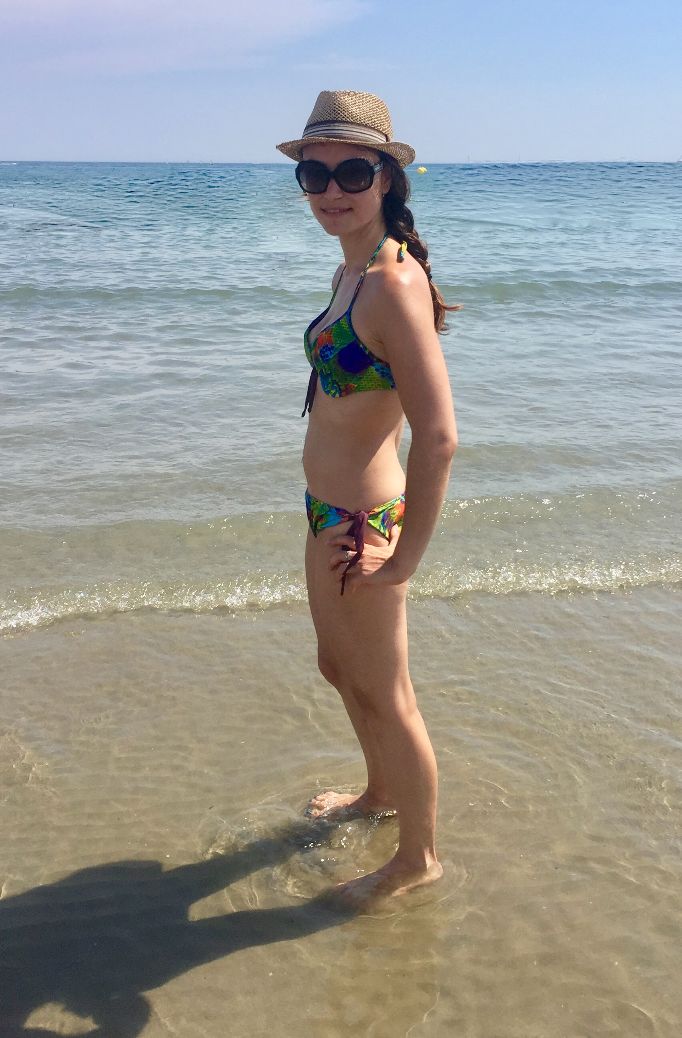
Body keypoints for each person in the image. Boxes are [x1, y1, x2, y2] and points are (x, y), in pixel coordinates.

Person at [276, 90, 459, 904]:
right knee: (336, 666)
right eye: (314, 175)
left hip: (363, 528)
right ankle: (380, 792)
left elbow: (439, 435)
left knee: (389, 697)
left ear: (386, 177)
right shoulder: (350, 266)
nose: (331, 190)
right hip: (327, 514)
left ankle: (418, 860)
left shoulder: (392, 284)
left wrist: (403, 561)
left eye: (352, 171)